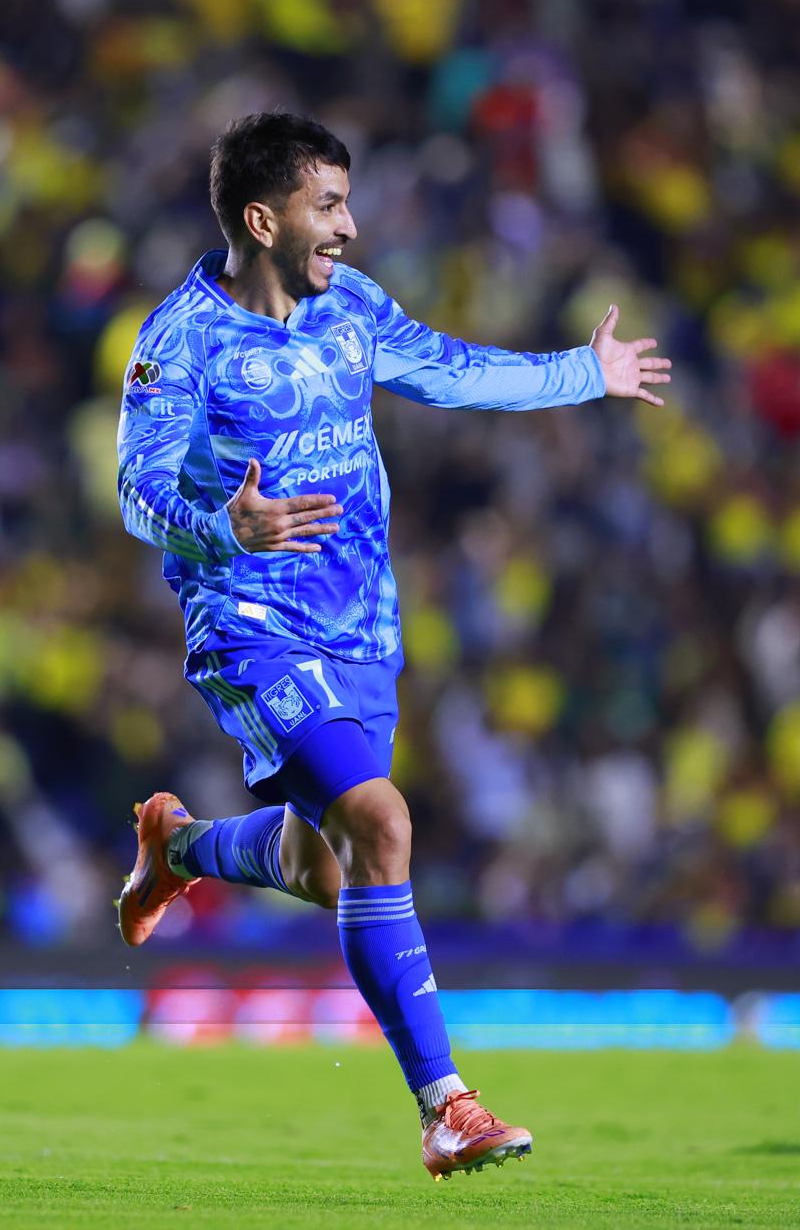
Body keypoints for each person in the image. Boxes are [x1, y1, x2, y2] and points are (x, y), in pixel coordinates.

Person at [111, 111, 671, 1178]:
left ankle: (177, 848)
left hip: (361, 624)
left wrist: (581, 375)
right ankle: (445, 1104)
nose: (352, 228)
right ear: (262, 216)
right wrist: (218, 528)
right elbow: (136, 488)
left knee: (328, 868)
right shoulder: (177, 338)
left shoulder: (354, 309)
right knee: (385, 821)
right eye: (330, 206)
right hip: (252, 630)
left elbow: (455, 370)